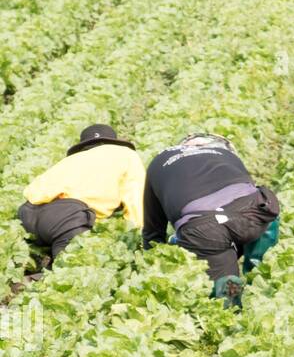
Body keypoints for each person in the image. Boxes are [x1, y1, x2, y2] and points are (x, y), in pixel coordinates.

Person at [142, 134, 279, 302]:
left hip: (207, 228)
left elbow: (153, 230)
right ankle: (258, 277)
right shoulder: (226, 154)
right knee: (254, 224)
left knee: (228, 287)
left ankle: (232, 307)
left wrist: (153, 263)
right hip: (259, 211)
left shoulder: (159, 162)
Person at [18, 124, 145, 263]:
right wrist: (139, 236)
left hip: (27, 216)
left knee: (46, 265)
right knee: (71, 268)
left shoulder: (70, 160)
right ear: (113, 142)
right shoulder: (126, 154)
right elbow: (136, 199)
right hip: (67, 218)